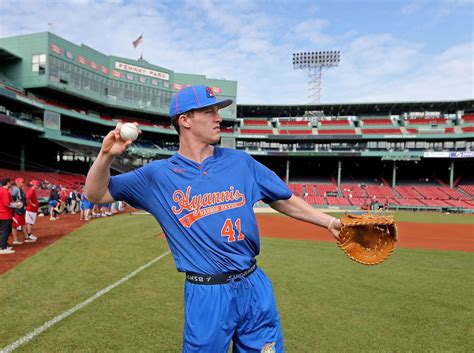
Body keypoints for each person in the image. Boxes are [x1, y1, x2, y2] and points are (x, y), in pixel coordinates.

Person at [85, 85, 342, 352]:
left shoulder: (241, 162)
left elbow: (283, 198)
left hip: (254, 285)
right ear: (184, 120)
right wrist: (106, 156)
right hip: (207, 293)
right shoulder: (157, 175)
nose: (218, 118)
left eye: (218, 111)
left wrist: (330, 222)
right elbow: (96, 193)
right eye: (209, 111)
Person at [0, 178, 22, 254]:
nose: (10, 184)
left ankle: (4, 244)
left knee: (5, 231)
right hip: (5, 214)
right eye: (9, 183)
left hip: (2, 214)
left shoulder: (1, 190)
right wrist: (17, 205)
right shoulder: (5, 192)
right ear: (7, 183)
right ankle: (3, 248)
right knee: (5, 231)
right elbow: (7, 204)